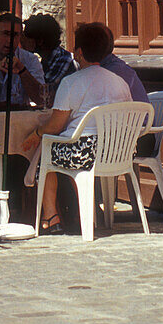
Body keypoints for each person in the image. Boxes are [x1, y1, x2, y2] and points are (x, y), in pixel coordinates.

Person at [22, 22, 133, 233]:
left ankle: (51, 216)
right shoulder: (120, 82)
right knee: (65, 147)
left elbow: (55, 126)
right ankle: (86, 212)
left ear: (79, 52)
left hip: (85, 153)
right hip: (117, 152)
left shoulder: (72, 82)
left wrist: (35, 134)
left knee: (45, 149)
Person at [22, 13, 77, 98]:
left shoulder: (64, 60)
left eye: (26, 37)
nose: (22, 41)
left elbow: (44, 91)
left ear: (40, 41)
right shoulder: (46, 60)